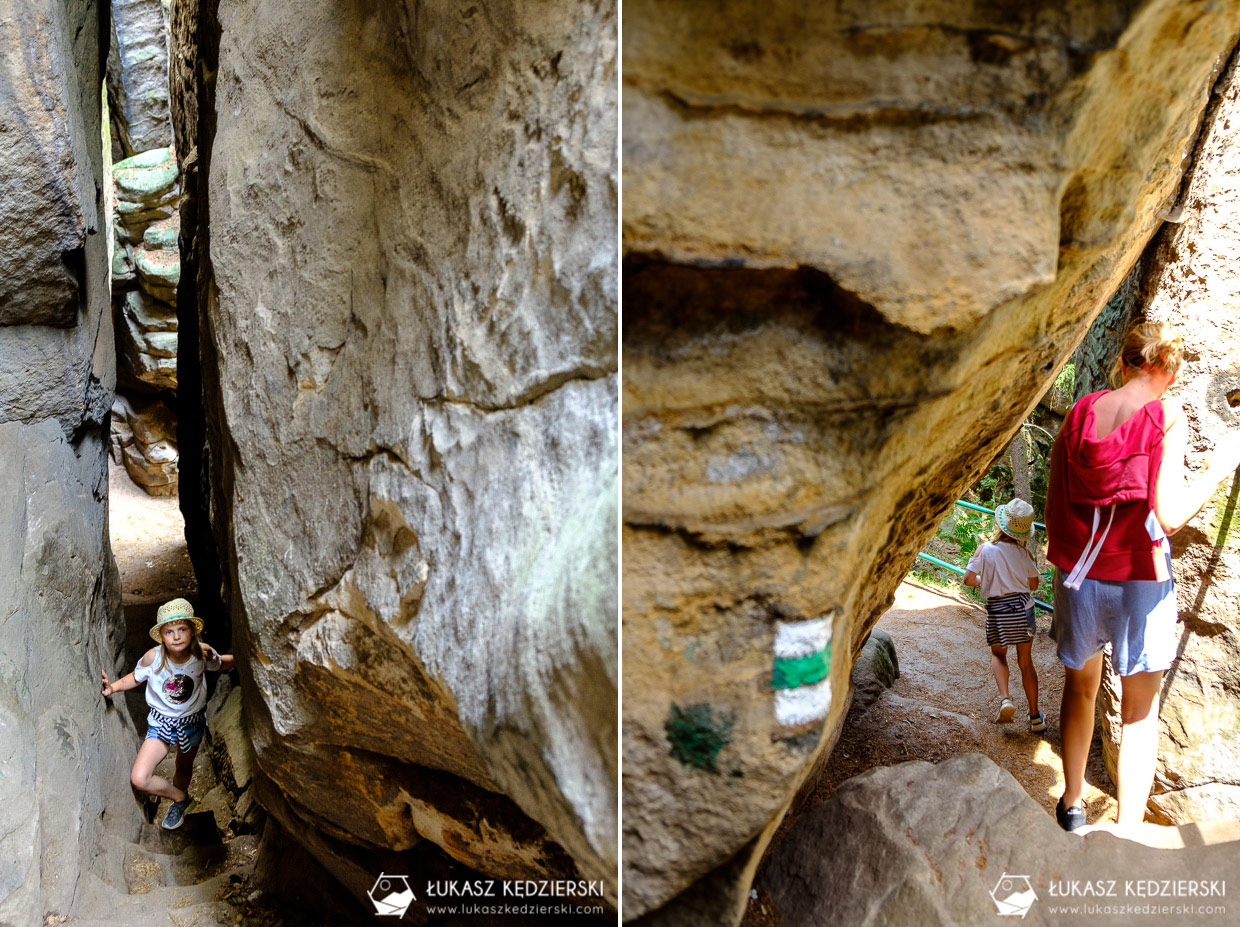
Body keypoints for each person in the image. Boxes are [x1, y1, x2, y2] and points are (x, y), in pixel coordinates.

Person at [1045, 321, 1240, 832]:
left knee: (1080, 689)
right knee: (1138, 711)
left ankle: (1070, 803)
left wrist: (1061, 552)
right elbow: (1170, 514)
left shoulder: (1083, 410)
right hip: (1139, 578)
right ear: (1169, 373)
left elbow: (1057, 485)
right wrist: (1221, 464)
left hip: (1079, 576)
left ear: (1125, 362)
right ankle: (1127, 834)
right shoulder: (1165, 415)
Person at [100, 598, 234, 830]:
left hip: (192, 724)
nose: (176, 636)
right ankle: (180, 798)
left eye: (182, 629)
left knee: (183, 767)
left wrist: (247, 657)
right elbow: (135, 677)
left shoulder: (203, 654)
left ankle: (180, 801)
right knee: (140, 778)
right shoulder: (154, 658)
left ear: (192, 631)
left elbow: (222, 663)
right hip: (161, 725)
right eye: (169, 631)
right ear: (161, 635)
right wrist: (113, 687)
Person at [964, 499, 1044, 732]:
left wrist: (985, 580)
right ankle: (1035, 717)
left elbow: (968, 580)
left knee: (998, 655)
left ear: (1001, 524)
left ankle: (1006, 699)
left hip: (998, 611)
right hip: (1023, 611)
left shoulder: (986, 549)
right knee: (1025, 662)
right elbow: (1034, 585)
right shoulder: (1025, 554)